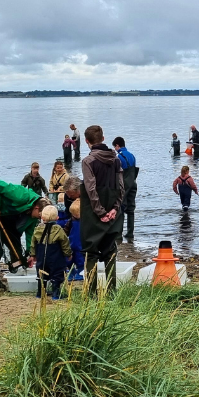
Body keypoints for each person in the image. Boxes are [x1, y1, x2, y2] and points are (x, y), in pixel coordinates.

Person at [0, 180, 49, 290]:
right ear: (36, 208)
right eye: (40, 215)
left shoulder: (32, 215)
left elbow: (30, 236)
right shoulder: (21, 195)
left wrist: (31, 254)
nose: (40, 219)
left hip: (3, 213)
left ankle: (16, 266)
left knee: (14, 238)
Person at [81, 125, 124, 294]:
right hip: (113, 211)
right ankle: (111, 293)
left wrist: (100, 212)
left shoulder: (88, 161)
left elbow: (91, 189)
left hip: (94, 213)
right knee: (110, 251)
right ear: (103, 139)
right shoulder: (116, 160)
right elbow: (121, 187)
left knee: (91, 253)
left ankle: (91, 295)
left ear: (87, 141)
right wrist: (115, 208)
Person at [28, 205, 72, 300]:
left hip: (41, 256)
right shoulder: (58, 229)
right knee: (57, 273)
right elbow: (65, 243)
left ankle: (40, 293)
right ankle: (56, 293)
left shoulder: (38, 229)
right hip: (55, 256)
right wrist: (68, 254)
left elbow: (33, 243)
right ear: (57, 218)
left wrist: (32, 254)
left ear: (42, 217)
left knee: (41, 273)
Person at [112, 136, 138, 239]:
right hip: (133, 184)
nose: (115, 149)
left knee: (120, 208)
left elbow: (116, 172)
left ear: (117, 145)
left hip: (124, 185)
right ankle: (130, 233)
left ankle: (119, 234)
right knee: (131, 209)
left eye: (115, 147)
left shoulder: (118, 157)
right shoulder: (132, 155)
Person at [65, 198, 84, 281]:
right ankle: (71, 272)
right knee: (69, 260)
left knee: (81, 260)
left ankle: (80, 272)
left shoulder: (85, 222)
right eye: (73, 214)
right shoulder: (71, 221)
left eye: (76, 214)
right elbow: (66, 230)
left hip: (81, 245)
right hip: (72, 244)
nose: (74, 216)